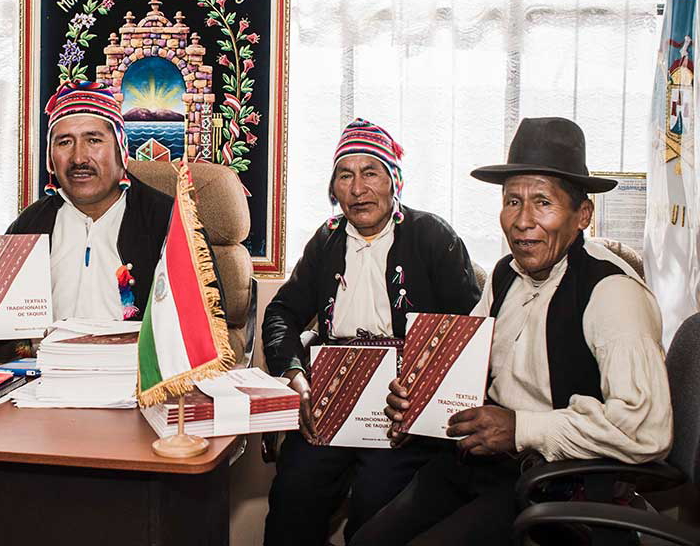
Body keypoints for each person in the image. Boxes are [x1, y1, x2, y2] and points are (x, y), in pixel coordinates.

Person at [351, 117, 672, 545]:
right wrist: (418, 397)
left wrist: (521, 429)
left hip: (550, 480)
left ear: (583, 215)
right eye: (512, 201)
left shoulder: (613, 293)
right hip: (475, 461)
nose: (522, 221)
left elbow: (646, 432)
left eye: (543, 202)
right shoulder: (505, 274)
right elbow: (467, 371)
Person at [261, 118, 481, 546]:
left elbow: (466, 331)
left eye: (370, 173)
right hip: (328, 400)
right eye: (346, 175)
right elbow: (281, 313)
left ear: (394, 181)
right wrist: (295, 376)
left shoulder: (431, 236)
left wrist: (420, 401)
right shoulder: (324, 242)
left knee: (378, 505)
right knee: (294, 495)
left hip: (403, 408)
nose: (358, 189)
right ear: (334, 188)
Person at [0, 81, 175, 357]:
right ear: (51, 157)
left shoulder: (167, 221)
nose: (79, 157)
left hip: (137, 384)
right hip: (42, 382)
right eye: (65, 142)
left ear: (120, 149)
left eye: (94, 140)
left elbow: (198, 326)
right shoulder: (31, 225)